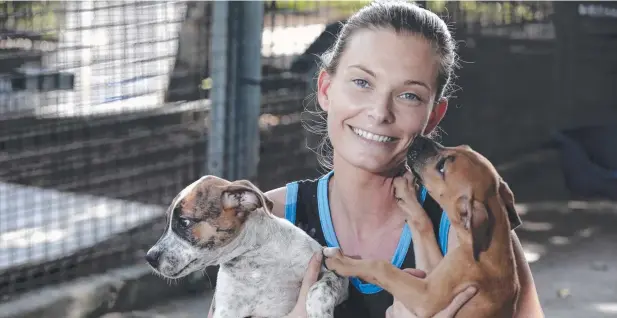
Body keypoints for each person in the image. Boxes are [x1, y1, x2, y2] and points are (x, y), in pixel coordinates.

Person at [208, 1, 544, 317]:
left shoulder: (470, 230)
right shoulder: (268, 221)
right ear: (325, 89)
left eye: (409, 95)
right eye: (361, 82)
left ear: (433, 116)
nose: (379, 112)